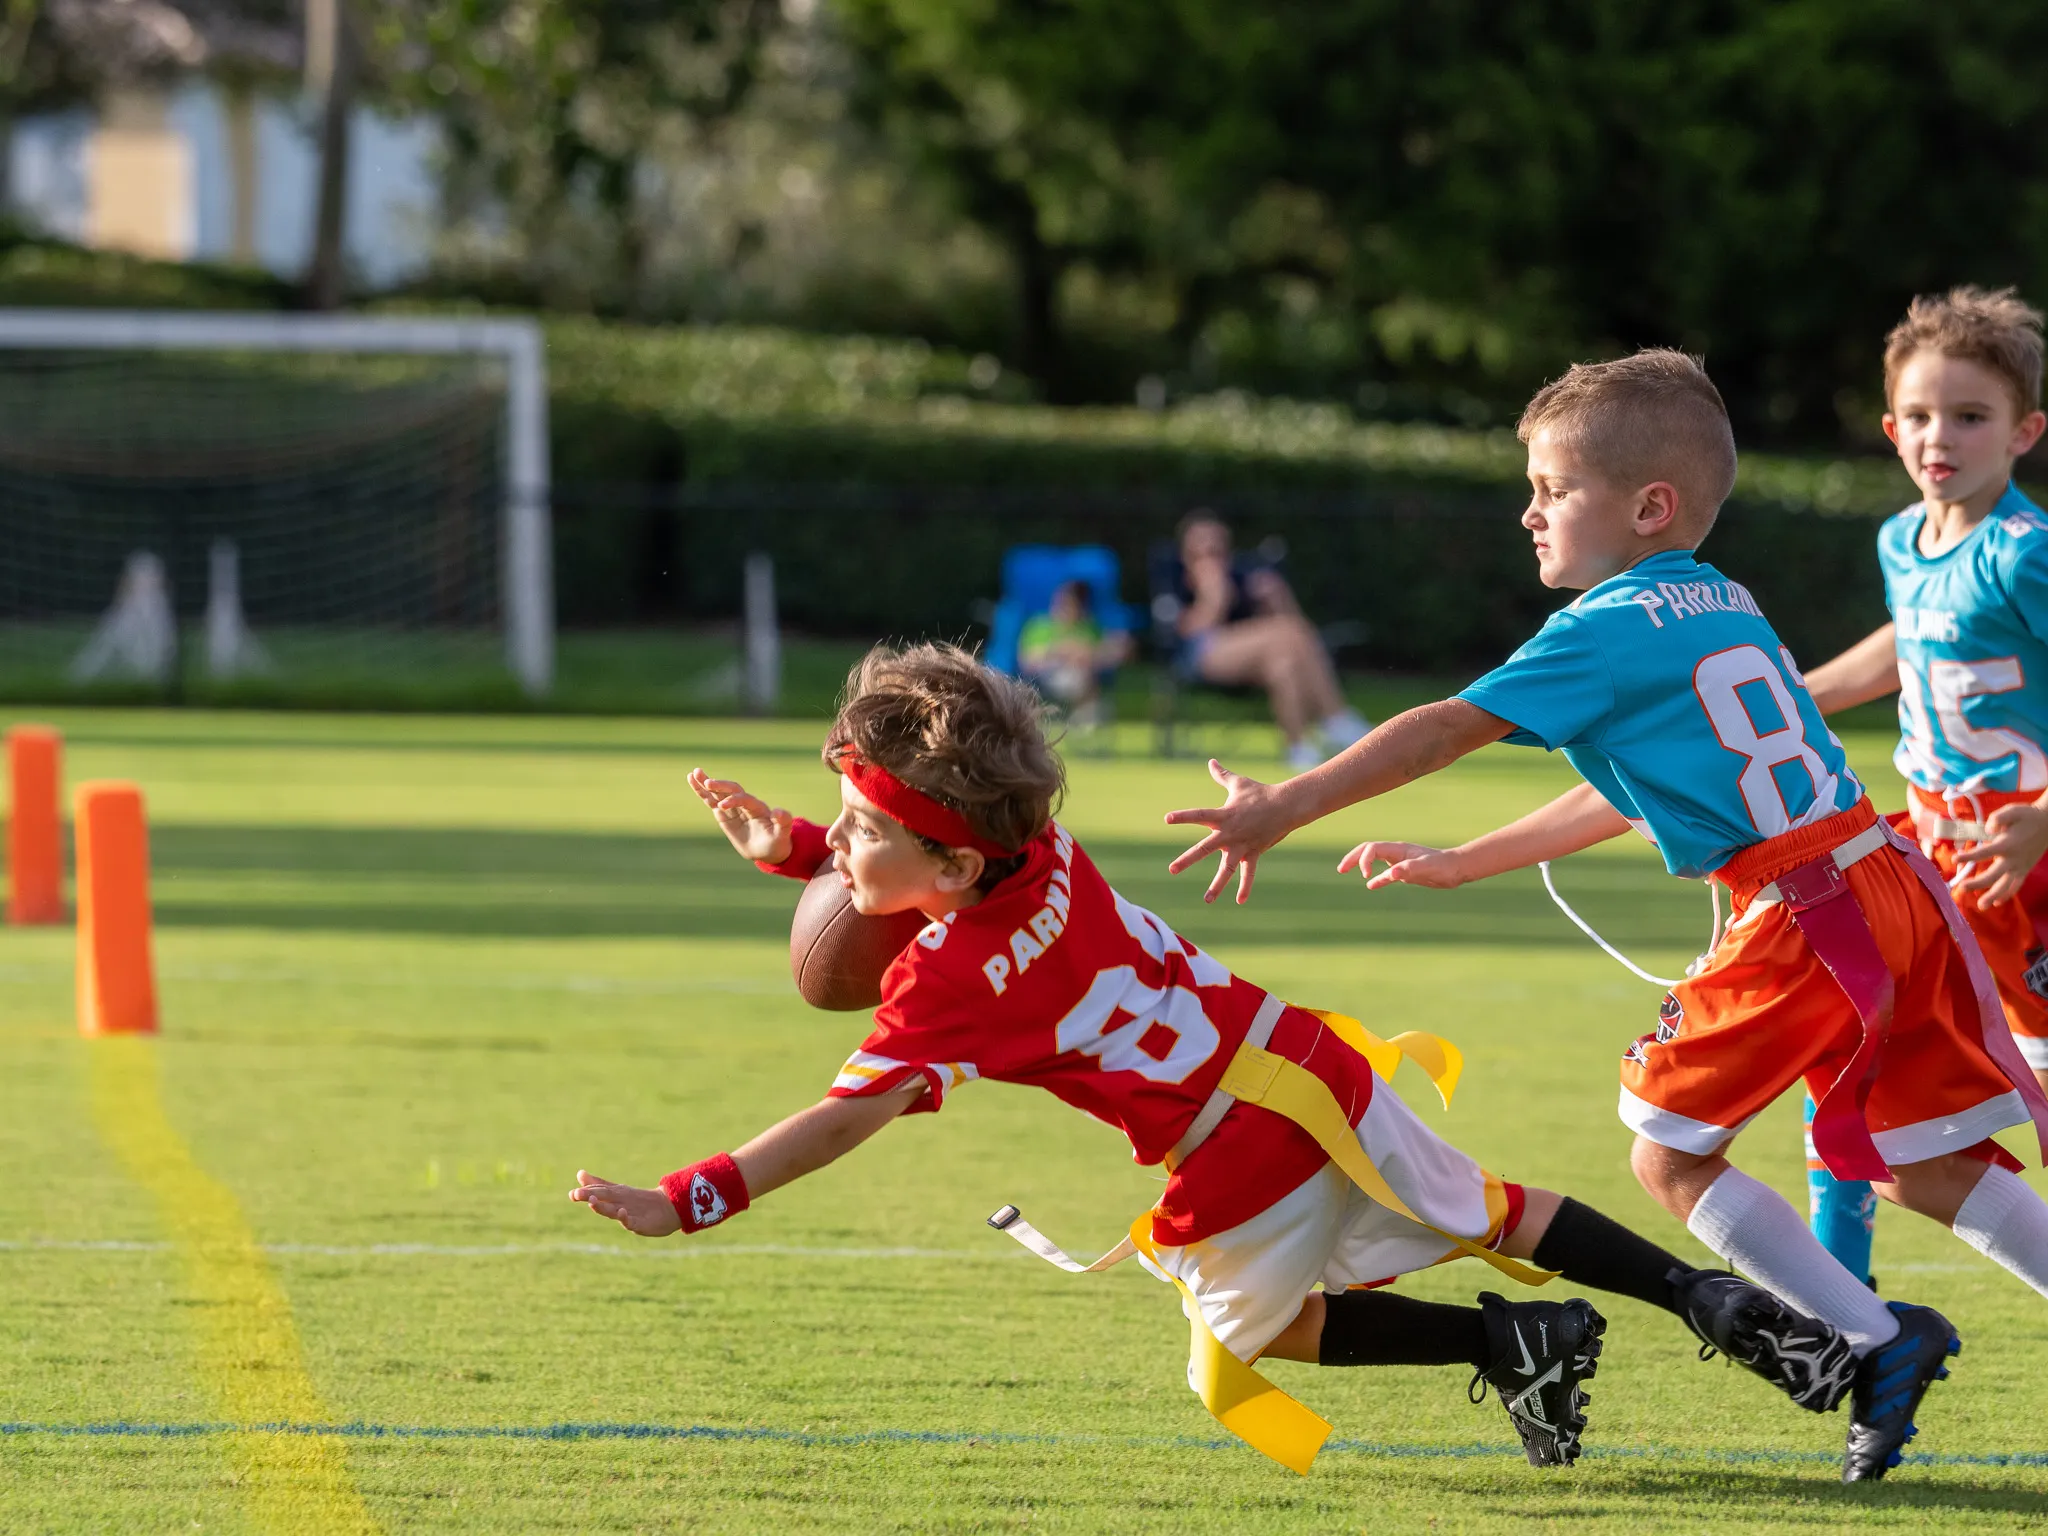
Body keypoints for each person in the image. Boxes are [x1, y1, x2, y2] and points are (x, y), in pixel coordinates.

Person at [570, 642, 1855, 1475]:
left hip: (1234, 1144)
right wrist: (803, 846)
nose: (840, 845)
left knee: (1241, 1339)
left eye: (856, 829)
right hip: (1300, 1052)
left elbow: (841, 1118)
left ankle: (1506, 1345)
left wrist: (694, 1197)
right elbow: (922, 863)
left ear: (950, 863)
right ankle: (1707, 1302)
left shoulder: (948, 982)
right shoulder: (1040, 850)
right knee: (1489, 1206)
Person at [1162, 349, 2048, 1483]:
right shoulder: (1711, 596)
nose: (1528, 514)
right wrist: (1469, 859)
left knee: (1668, 1155)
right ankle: (1873, 1339)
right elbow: (1611, 788)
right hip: (1882, 879)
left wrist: (1284, 802)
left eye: (1550, 489)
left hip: (1801, 911)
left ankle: (1873, 1342)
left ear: (1647, 506)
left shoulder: (1604, 625)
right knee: (1923, 1166)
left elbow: (1439, 726)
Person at [1795, 288, 2048, 1290]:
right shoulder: (1903, 538)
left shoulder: (2026, 553)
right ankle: (1834, 1308)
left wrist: (2038, 821)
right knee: (1845, 1050)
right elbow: (1910, 645)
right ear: (1888, 424)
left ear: (2023, 431)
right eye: (1917, 415)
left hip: (2016, 859)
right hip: (1922, 849)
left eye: (1969, 416)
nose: (1937, 436)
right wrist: (1787, 699)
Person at [1172, 512, 1369, 770]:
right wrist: (1213, 595)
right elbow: (1185, 632)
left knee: (1284, 664)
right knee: (1287, 630)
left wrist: (1279, 597)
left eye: (1217, 545)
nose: (1211, 551)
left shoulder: (1243, 576)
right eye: (1203, 545)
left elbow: (1303, 637)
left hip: (1257, 657)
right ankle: (1336, 719)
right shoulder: (1177, 579)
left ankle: (1298, 748)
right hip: (1202, 655)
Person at [1017, 578, 1130, 725]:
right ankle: (1083, 716)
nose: (1064, 608)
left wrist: (1087, 654)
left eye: (1071, 604)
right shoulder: (1039, 626)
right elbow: (1027, 661)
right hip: (1047, 676)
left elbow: (1115, 653)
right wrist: (1059, 651)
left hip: (1083, 675)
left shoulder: (1089, 627)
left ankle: (1084, 717)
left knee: (1085, 675)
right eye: (1062, 602)